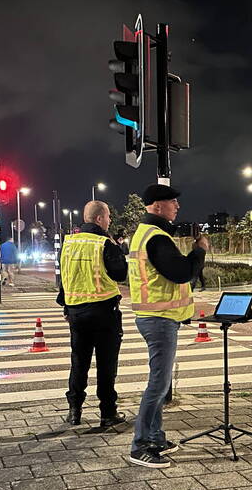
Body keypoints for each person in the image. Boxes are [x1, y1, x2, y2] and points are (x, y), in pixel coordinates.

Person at [127, 183, 208, 468]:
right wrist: (199, 252)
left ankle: (155, 437)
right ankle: (139, 446)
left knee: (160, 383)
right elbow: (181, 272)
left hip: (157, 317)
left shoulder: (145, 233)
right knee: (158, 385)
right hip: (159, 319)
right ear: (157, 206)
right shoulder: (156, 238)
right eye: (173, 201)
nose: (177, 206)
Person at [57, 200, 128, 430]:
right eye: (108, 216)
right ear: (99, 218)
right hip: (103, 312)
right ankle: (108, 412)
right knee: (106, 365)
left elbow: (65, 277)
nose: (110, 220)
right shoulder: (104, 243)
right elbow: (120, 273)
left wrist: (66, 306)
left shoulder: (68, 243)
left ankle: (74, 410)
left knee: (79, 362)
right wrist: (118, 248)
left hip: (76, 313)